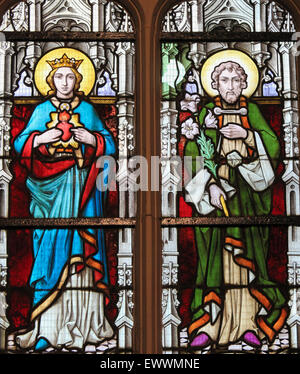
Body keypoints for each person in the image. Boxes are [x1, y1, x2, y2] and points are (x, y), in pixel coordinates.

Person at [13, 53, 116, 351]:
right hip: (48, 191)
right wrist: (43, 138)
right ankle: (47, 327)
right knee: (50, 250)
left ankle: (86, 326)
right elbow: (20, 144)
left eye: (70, 77)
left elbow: (109, 144)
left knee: (81, 253)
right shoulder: (42, 109)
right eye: (59, 77)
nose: (65, 82)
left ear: (78, 81)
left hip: (84, 191)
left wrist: (91, 138)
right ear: (50, 80)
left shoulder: (87, 109)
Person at [184, 60, 288, 349]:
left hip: (248, 197)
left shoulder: (251, 112)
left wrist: (247, 135)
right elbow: (193, 151)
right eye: (224, 80)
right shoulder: (206, 114)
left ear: (244, 84)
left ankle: (249, 323)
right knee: (215, 260)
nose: (230, 86)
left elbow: (274, 147)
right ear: (214, 84)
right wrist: (211, 183)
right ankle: (210, 324)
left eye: (236, 80)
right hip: (217, 198)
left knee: (248, 261)